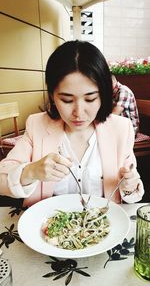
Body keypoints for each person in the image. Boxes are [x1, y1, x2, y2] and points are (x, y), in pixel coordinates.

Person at [0, 40, 144, 207]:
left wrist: (130, 185)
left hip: (102, 226)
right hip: (46, 225)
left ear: (103, 95)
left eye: (90, 99)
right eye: (67, 100)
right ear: (52, 95)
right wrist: (31, 171)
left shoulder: (120, 128)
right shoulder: (37, 125)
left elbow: (133, 193)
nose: (79, 112)